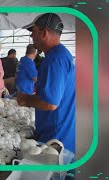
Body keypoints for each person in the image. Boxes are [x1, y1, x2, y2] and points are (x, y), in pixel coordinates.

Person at [17, 13, 75, 154]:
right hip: (62, 129)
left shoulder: (55, 59)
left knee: (54, 173)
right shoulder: (61, 54)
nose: (31, 37)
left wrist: (25, 99)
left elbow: (51, 103)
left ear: (44, 32)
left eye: (33, 32)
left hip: (55, 136)